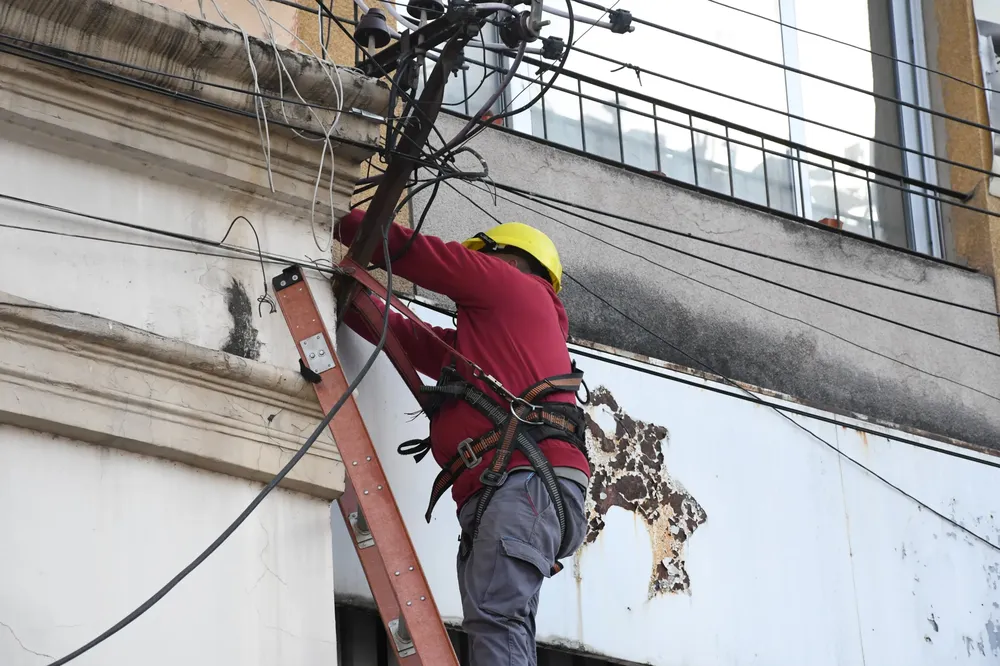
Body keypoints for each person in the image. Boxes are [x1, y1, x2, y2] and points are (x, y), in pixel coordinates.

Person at [336, 207, 591, 665]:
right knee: (501, 621)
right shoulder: (502, 340)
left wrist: (341, 222)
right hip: (519, 488)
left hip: (523, 482)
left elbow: (420, 254)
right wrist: (349, 299)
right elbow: (414, 341)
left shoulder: (511, 285)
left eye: (485, 260)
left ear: (507, 260)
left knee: (497, 618)